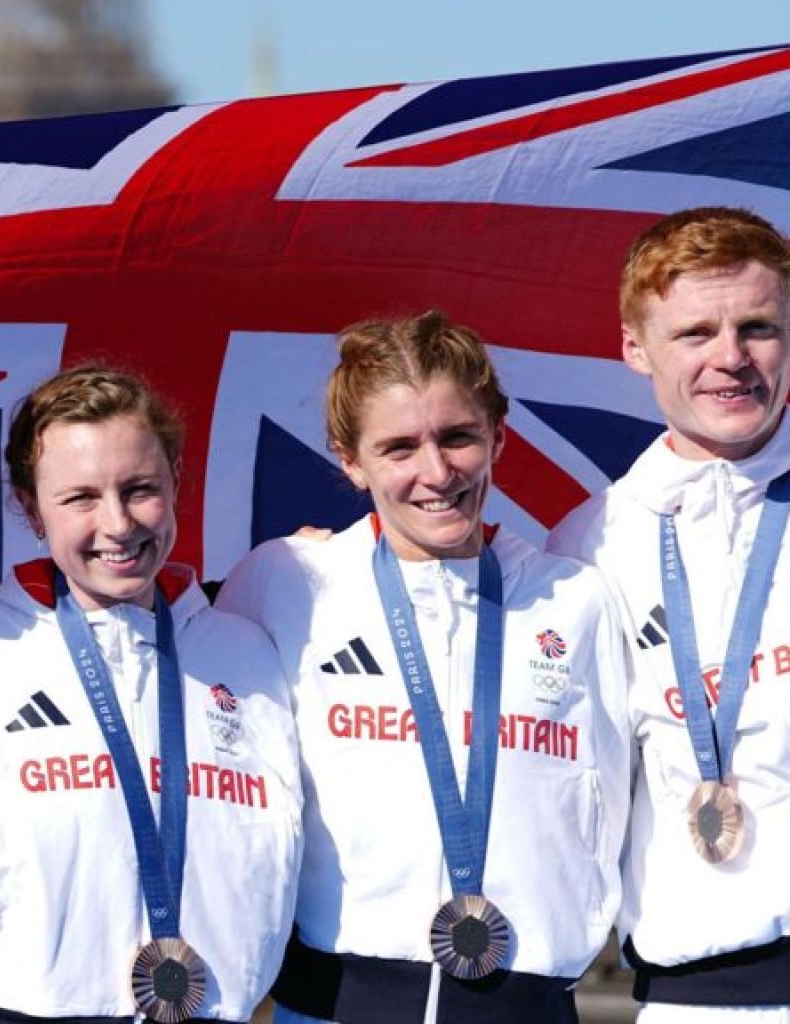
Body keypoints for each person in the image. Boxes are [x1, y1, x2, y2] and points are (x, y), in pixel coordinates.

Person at [216, 311, 630, 1024]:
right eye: (399, 447)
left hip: (526, 1003)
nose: (436, 472)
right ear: (350, 459)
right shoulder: (284, 582)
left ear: (498, 434)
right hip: (336, 1003)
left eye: (458, 437)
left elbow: (619, 796)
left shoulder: (575, 598)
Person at [0, 363, 302, 1024]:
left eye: (139, 489)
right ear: (29, 504)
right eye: (80, 498)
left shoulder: (248, 652)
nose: (118, 523)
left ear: (175, 482)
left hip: (213, 1010)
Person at [548, 206, 790, 1022]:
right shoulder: (587, 547)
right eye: (695, 334)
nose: (732, 358)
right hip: (698, 1000)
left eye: (758, 326)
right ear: (634, 347)